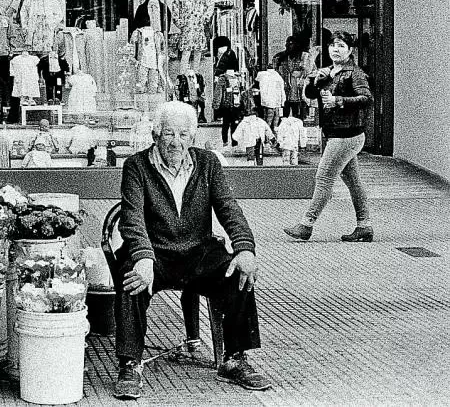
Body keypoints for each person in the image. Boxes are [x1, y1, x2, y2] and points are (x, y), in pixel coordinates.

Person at [113, 101, 271, 400]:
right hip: (154, 253)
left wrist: (245, 248)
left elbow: (228, 208)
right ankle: (130, 363)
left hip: (197, 252)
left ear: (193, 137)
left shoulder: (208, 162)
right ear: (155, 134)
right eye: (169, 134)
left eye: (184, 135)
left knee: (238, 272)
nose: (176, 142)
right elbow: (131, 219)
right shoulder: (136, 165)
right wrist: (143, 257)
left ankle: (234, 358)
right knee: (131, 279)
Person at [283, 31, 374, 242]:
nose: (336, 49)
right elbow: (312, 96)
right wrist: (315, 81)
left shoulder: (355, 73)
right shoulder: (330, 71)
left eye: (341, 46)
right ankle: (364, 225)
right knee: (353, 182)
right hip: (338, 134)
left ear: (350, 50)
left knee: (323, 178)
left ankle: (306, 224)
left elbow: (366, 98)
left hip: (347, 135)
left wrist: (339, 99)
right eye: (333, 45)